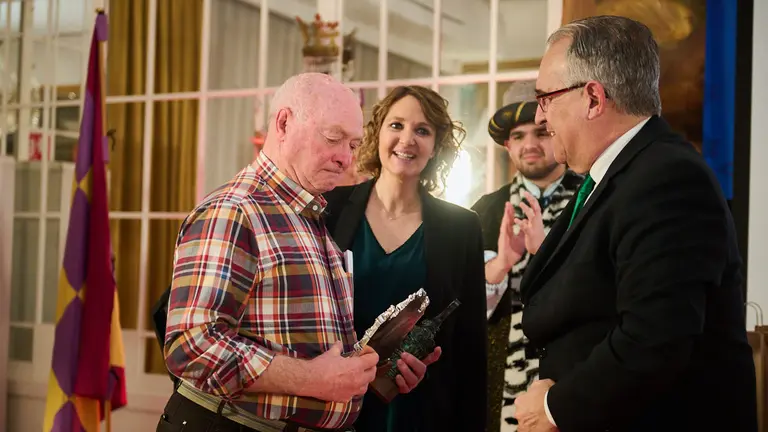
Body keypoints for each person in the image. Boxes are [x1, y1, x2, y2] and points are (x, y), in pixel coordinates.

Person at [512, 16, 757, 432]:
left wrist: (552, 408)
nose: (541, 115)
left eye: (546, 98)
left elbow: (655, 337)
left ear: (592, 98)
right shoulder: (619, 174)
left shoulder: (667, 177)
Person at [156, 72, 380, 432]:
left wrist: (364, 370)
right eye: (333, 137)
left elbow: (303, 342)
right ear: (284, 122)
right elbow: (192, 346)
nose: (345, 159)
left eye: (353, 146)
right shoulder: (235, 210)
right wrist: (309, 379)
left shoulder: (307, 214)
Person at [322, 86, 488, 432]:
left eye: (422, 130)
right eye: (396, 125)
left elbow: (470, 347)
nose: (407, 139)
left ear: (436, 146)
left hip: (421, 409)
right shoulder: (330, 208)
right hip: (331, 406)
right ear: (377, 132)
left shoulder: (462, 227)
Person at [471, 81, 581, 432]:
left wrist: (546, 253)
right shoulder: (484, 211)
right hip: (500, 375)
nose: (530, 145)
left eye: (541, 132)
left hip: (575, 375)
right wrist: (501, 264)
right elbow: (463, 304)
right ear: (507, 145)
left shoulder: (592, 199)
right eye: (518, 136)